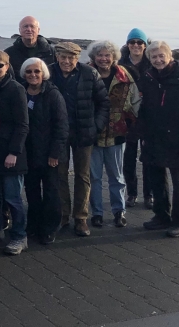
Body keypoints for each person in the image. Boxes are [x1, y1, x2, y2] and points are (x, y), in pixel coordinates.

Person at [139, 41, 179, 238]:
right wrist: (144, 136)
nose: (158, 60)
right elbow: (145, 110)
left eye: (161, 56)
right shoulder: (148, 78)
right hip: (155, 138)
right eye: (153, 57)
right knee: (157, 180)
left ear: (169, 55)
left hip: (178, 139)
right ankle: (161, 216)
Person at [49, 42, 110, 237]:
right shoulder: (48, 73)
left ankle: (81, 217)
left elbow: (104, 104)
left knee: (83, 176)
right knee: (59, 174)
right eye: (63, 57)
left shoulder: (90, 74)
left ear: (77, 58)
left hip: (84, 132)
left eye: (71, 57)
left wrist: (96, 127)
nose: (67, 61)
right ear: (57, 56)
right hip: (58, 134)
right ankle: (63, 214)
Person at [87, 40, 138, 229]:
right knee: (94, 177)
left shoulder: (124, 76)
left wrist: (133, 126)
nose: (103, 58)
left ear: (114, 56)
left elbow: (135, 102)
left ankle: (119, 211)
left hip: (117, 133)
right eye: (99, 55)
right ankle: (97, 213)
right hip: (93, 134)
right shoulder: (86, 74)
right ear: (94, 57)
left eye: (107, 55)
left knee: (117, 176)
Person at [0, 51, 29, 255]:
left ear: (7, 66)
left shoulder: (16, 89)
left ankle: (20, 236)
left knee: (13, 198)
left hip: (11, 153)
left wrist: (14, 152)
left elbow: (22, 124)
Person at [20, 58, 68, 245]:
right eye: (29, 71)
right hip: (28, 153)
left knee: (51, 192)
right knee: (31, 192)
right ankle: (33, 225)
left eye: (37, 71)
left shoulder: (53, 95)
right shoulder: (21, 92)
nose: (33, 75)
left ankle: (49, 229)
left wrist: (55, 153)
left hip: (49, 154)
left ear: (43, 73)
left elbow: (62, 127)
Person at [119, 28, 153, 209]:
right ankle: (132, 193)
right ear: (127, 45)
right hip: (128, 118)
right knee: (128, 158)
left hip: (148, 117)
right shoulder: (120, 64)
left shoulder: (152, 63)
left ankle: (149, 194)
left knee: (148, 158)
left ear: (145, 45)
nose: (136, 46)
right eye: (132, 42)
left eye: (140, 42)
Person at [5, 16, 56, 83]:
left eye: (32, 26)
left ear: (38, 30)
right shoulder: (9, 53)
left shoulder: (51, 52)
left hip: (45, 91)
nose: (29, 29)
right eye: (25, 26)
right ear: (19, 30)